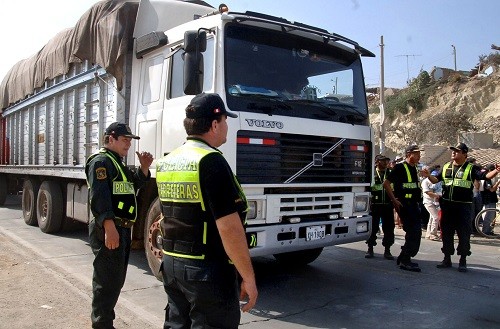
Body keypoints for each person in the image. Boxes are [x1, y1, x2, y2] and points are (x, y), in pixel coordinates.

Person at [155, 93, 258, 328]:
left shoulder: (167, 161)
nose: (227, 126)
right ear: (214, 124)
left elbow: (166, 216)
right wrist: (249, 278)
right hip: (206, 273)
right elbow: (230, 228)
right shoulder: (210, 161)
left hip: (172, 266)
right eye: (225, 120)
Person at [86, 122, 153, 329]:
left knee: (115, 281)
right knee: (106, 282)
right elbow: (99, 197)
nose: (129, 145)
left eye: (130, 141)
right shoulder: (101, 162)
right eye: (125, 140)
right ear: (110, 139)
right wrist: (109, 227)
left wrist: (143, 168)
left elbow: (133, 185)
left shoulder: (117, 163)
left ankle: (105, 322)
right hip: (111, 228)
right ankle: (101, 325)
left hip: (121, 229)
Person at [425, 143, 500, 272]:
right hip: (448, 206)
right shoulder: (446, 166)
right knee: (447, 233)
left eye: (457, 151)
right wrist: (427, 175)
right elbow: (435, 180)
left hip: (463, 206)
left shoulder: (471, 168)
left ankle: (463, 260)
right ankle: (447, 258)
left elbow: (485, 176)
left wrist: (497, 170)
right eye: (453, 151)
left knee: (464, 234)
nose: (453, 153)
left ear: (465, 154)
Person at [383, 144, 425, 272]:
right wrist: (394, 200)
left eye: (419, 154)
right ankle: (405, 260)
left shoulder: (415, 168)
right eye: (416, 153)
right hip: (405, 204)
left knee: (413, 231)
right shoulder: (400, 167)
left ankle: (403, 257)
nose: (419, 156)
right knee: (414, 231)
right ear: (408, 154)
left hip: (414, 204)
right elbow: (386, 183)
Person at [365, 154, 395, 260]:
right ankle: (370, 248)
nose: (386, 163)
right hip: (374, 206)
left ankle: (387, 250)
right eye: (383, 161)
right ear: (377, 162)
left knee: (389, 228)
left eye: (386, 161)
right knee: (373, 228)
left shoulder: (391, 173)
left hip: (387, 205)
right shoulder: (371, 173)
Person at [421, 166, 441, 241]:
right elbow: (427, 192)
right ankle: (433, 234)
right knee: (436, 217)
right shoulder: (425, 181)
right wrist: (437, 196)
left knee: (432, 217)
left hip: (435, 202)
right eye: (433, 175)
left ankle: (428, 234)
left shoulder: (437, 182)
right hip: (428, 201)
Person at [480, 164, 500, 236]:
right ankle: (486, 231)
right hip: (489, 199)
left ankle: (489, 230)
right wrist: (498, 182)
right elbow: (492, 189)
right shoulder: (487, 179)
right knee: (489, 215)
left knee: (492, 215)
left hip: (492, 199)